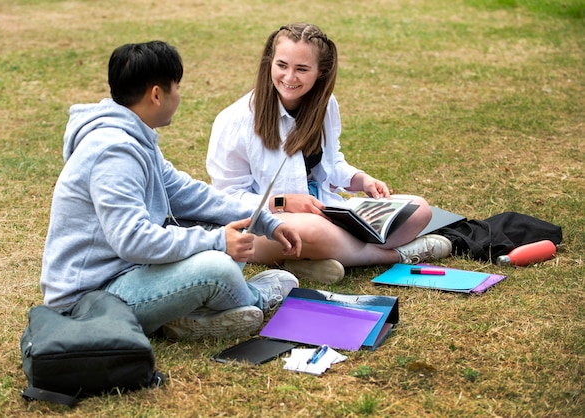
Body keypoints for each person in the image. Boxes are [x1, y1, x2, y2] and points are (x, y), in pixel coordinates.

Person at [40, 40, 303, 340]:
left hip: (126, 272)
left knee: (231, 228)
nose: (178, 95)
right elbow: (133, 240)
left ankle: (192, 317)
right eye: (176, 87)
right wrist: (218, 242)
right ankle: (255, 299)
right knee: (218, 267)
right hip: (92, 298)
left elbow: (189, 194)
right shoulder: (114, 153)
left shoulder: (134, 137)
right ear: (156, 94)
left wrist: (264, 220)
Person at [206, 23, 451, 284]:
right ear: (269, 62)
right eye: (282, 65)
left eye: (302, 69)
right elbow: (227, 199)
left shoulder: (325, 105)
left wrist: (361, 180)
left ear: (320, 72)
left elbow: (333, 164)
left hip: (328, 212)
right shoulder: (234, 120)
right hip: (267, 224)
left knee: (419, 210)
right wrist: (283, 202)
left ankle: (311, 260)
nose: (289, 77)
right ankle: (395, 256)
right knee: (313, 230)